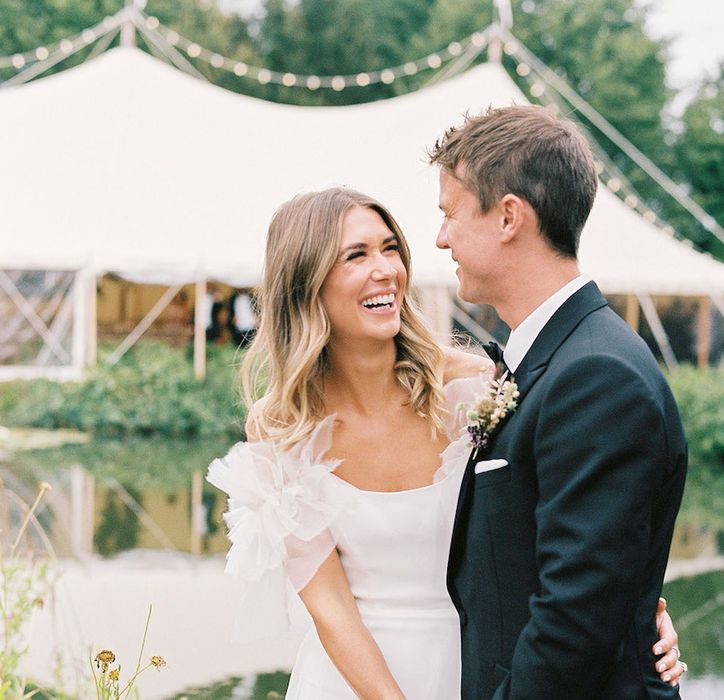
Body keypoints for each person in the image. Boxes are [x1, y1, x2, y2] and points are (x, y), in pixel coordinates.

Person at [207, 188, 686, 698]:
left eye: (390, 249)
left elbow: (577, 533)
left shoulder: (477, 387)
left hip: (488, 669)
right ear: (307, 284)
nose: (386, 270)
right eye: (357, 255)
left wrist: (631, 623)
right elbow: (332, 613)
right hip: (353, 680)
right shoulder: (281, 428)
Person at [430, 106, 688, 698]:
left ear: (508, 217)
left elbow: (574, 624)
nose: (440, 237)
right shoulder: (552, 358)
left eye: (449, 213)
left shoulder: (597, 376)